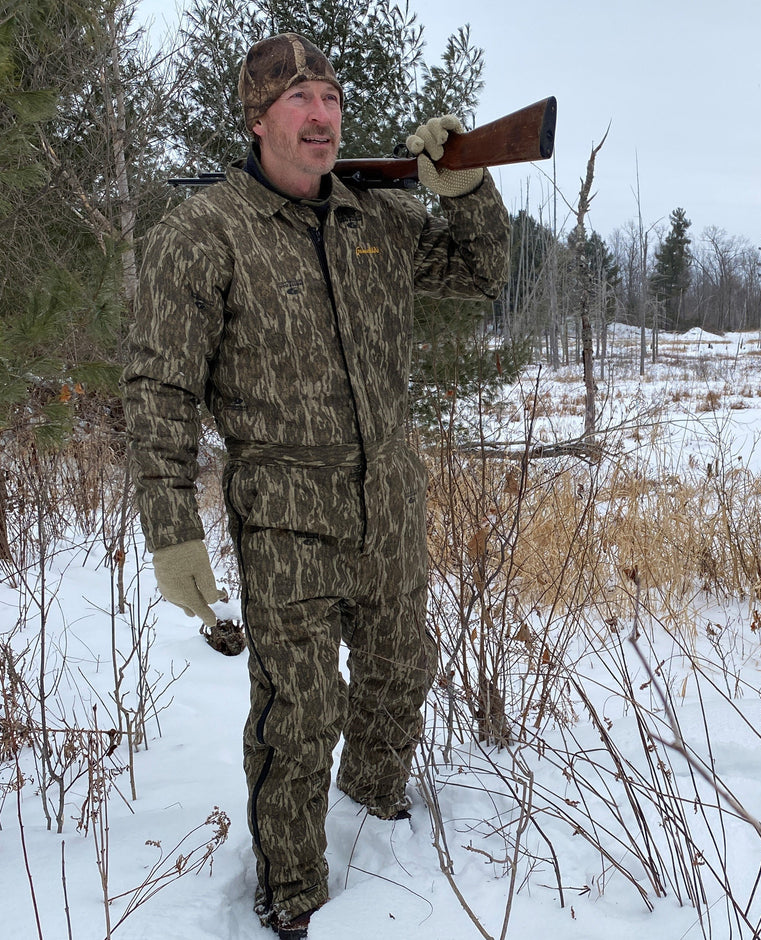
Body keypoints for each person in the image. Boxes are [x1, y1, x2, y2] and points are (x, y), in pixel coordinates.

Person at [122, 32, 510, 940]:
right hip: (287, 520)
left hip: (392, 505)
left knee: (397, 675)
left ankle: (375, 819)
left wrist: (467, 188)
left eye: (332, 97)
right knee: (299, 714)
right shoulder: (204, 232)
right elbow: (160, 389)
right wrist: (170, 529)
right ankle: (293, 893)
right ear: (258, 120)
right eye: (300, 99)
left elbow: (480, 272)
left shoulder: (374, 218)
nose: (324, 114)